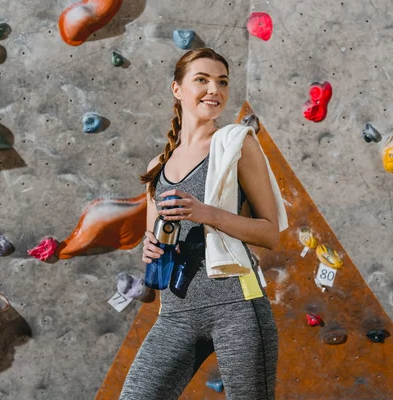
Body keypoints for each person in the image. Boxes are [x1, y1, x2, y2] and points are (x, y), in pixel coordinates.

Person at [118, 48, 279, 400]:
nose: (214, 90)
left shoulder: (237, 146)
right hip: (176, 312)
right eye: (202, 80)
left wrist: (207, 213)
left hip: (237, 306)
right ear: (177, 89)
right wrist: (149, 248)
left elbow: (270, 233)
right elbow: (155, 247)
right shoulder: (157, 166)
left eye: (222, 82)